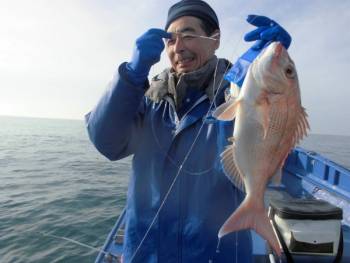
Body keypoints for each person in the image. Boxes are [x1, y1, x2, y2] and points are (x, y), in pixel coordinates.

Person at [86, 0, 291, 262]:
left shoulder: (235, 96)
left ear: (215, 39)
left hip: (214, 255)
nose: (178, 47)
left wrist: (269, 59)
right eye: (170, 40)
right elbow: (107, 143)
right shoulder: (148, 100)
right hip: (145, 254)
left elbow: (260, 114)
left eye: (189, 35)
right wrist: (131, 75)